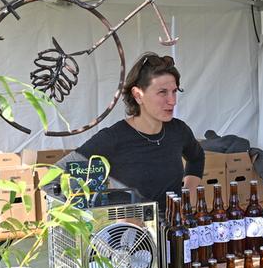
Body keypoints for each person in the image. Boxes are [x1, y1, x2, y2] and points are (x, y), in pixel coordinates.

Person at [57, 52, 204, 208]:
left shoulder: (179, 131)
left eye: (174, 91)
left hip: (174, 229)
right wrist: (107, 215)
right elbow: (53, 178)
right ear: (137, 95)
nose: (172, 101)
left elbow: (197, 157)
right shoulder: (113, 138)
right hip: (130, 232)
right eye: (162, 92)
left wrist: (189, 192)